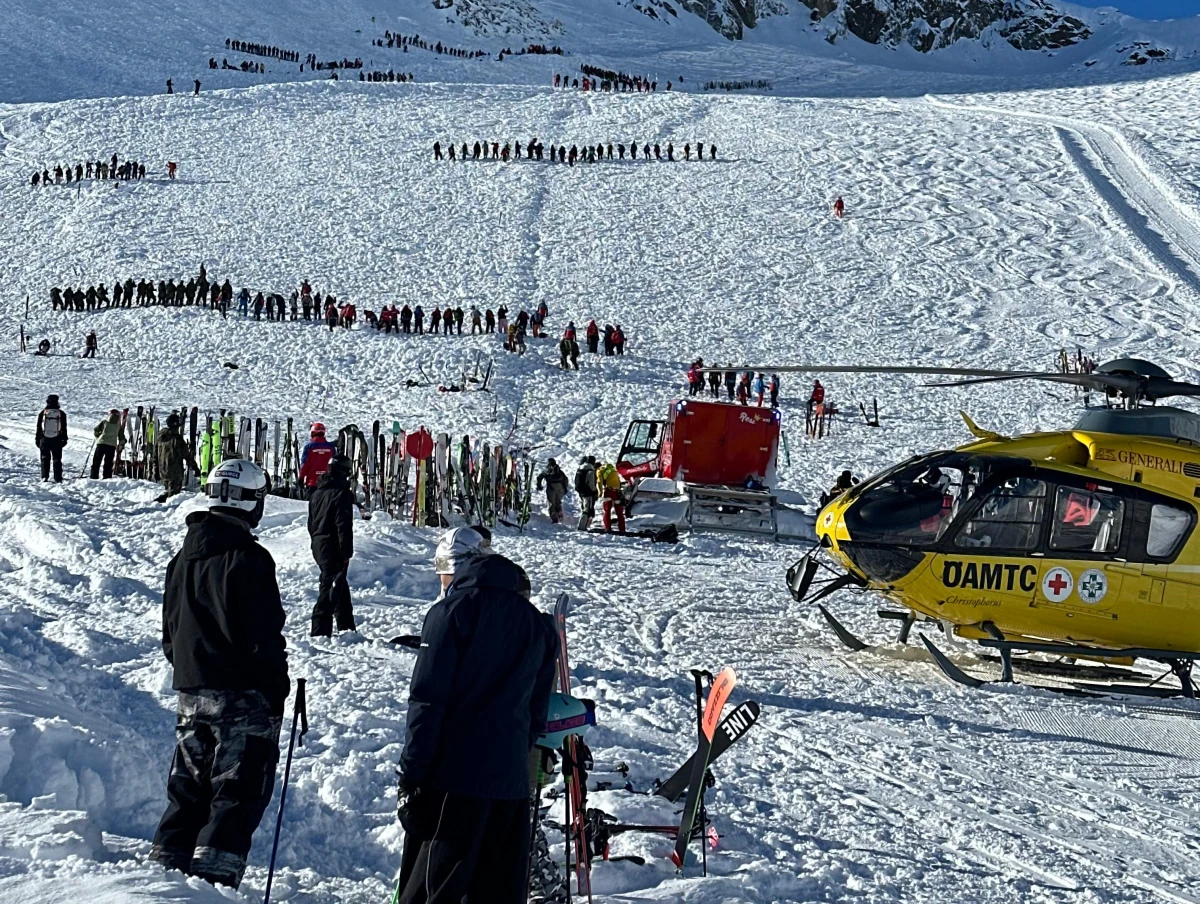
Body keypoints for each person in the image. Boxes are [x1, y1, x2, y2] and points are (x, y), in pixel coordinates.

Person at [395, 528, 557, 904]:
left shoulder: (451, 612)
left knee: (434, 890)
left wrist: (412, 775)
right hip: (509, 782)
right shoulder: (536, 623)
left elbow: (427, 701)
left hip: (455, 781)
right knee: (497, 892)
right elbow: (537, 710)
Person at [149, 458, 288, 890]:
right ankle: (212, 887)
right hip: (243, 694)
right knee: (236, 792)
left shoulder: (182, 558)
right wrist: (274, 689)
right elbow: (263, 635)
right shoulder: (250, 558)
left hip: (192, 691)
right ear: (251, 502)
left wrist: (192, 670)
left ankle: (162, 884)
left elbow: (170, 632)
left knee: (187, 789)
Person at [307, 455, 356, 636]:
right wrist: (346, 551)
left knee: (338, 583)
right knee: (330, 586)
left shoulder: (316, 494)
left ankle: (346, 626)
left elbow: (311, 523)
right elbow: (343, 525)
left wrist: (316, 540)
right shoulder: (341, 494)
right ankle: (319, 630)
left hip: (318, 543)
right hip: (333, 544)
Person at [156, 412, 199, 500]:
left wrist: (155, 470)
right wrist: (195, 467)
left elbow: (155, 455)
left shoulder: (160, 438)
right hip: (175, 473)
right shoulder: (177, 439)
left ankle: (160, 504)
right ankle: (162, 505)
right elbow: (187, 455)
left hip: (163, 471)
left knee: (168, 492)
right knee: (173, 496)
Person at [35, 394, 68, 482]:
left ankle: (44, 476)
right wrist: (64, 439)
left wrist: (37, 439)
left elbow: (39, 427)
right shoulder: (61, 413)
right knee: (57, 459)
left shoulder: (43, 413)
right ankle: (58, 477)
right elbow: (64, 427)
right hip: (57, 439)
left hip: (44, 438)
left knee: (45, 457)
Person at [299, 423, 337, 495]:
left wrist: (301, 478)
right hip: (327, 484)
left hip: (312, 484)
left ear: (312, 433)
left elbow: (304, 464)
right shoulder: (331, 447)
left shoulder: (309, 447)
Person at [91, 409, 125, 479]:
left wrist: (97, 436)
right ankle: (107, 477)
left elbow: (96, 430)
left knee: (96, 462)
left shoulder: (105, 422)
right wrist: (122, 443)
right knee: (108, 463)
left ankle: (94, 477)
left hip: (101, 443)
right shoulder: (118, 425)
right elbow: (121, 436)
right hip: (111, 446)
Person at [536, 458, 570, 524]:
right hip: (560, 488)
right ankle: (559, 513)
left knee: (552, 503)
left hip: (551, 487)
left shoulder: (548, 470)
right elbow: (565, 479)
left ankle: (554, 518)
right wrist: (565, 488)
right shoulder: (559, 471)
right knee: (558, 502)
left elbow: (539, 477)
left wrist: (539, 485)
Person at [598, 461, 625, 534]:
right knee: (619, 512)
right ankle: (622, 529)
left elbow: (599, 482)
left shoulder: (599, 470)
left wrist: (600, 493)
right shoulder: (612, 469)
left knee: (607, 510)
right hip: (617, 492)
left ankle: (607, 528)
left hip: (609, 491)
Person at [574, 456, 598, 530]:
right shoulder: (590, 471)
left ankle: (583, 525)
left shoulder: (580, 469)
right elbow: (591, 484)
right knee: (587, 509)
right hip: (588, 492)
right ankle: (582, 526)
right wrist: (595, 491)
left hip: (581, 492)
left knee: (584, 507)